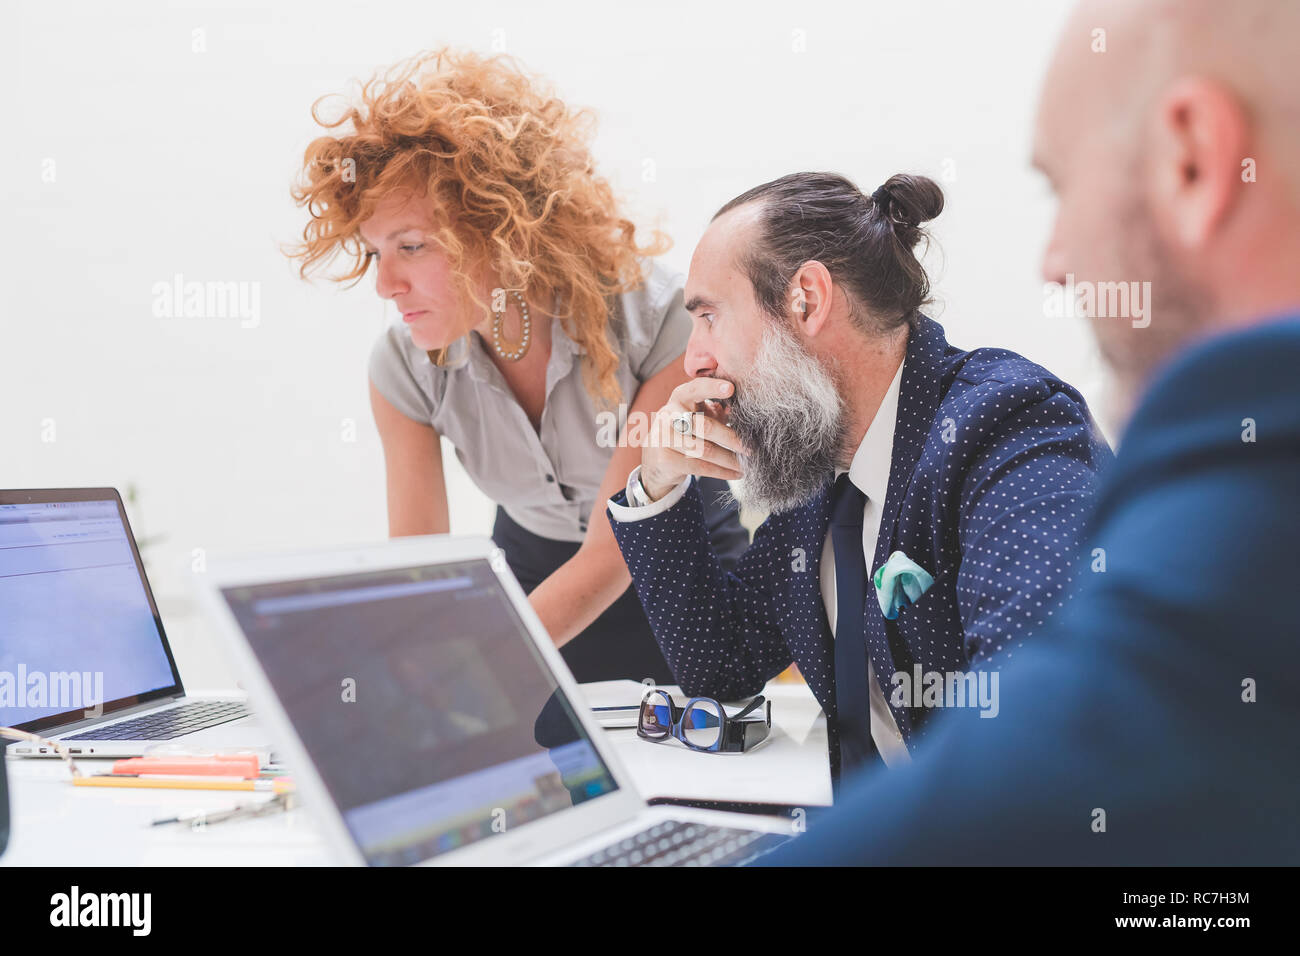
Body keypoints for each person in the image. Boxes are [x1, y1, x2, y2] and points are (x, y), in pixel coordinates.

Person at [761, 0, 1300, 864]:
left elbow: (1058, 752)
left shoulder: (1224, 490)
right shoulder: (808, 483)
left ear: (1194, 160)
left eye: (1062, 188)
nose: (1053, 258)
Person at [605, 170, 1112, 781]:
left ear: (807, 300)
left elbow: (1040, 709)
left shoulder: (1005, 424)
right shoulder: (818, 479)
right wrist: (655, 481)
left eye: (709, 316)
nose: (693, 360)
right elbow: (723, 664)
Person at [286, 48, 748, 684]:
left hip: (677, 578)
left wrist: (479, 659)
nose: (385, 285)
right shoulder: (401, 369)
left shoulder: (660, 319)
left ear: (499, 228)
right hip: (534, 582)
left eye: (411, 247)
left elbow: (611, 551)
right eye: (374, 255)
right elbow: (419, 566)